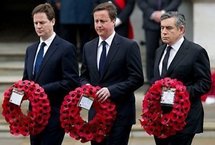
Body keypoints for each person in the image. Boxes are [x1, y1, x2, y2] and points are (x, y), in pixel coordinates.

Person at [80, 2, 144, 145]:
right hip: (96, 114)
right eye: (96, 21)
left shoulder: (129, 46)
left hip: (120, 114)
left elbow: (137, 78)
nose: (98, 25)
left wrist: (111, 91)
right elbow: (83, 76)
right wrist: (87, 86)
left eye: (103, 21)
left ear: (114, 21)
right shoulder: (88, 47)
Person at [22, 3, 80, 145]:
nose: (38, 26)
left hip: (54, 115)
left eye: (42, 22)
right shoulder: (31, 50)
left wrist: (41, 90)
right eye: (35, 23)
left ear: (53, 21)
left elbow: (71, 82)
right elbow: (26, 80)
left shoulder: (66, 48)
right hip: (34, 116)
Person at [152, 11, 211, 145]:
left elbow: (205, 83)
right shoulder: (159, 51)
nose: (164, 32)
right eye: (162, 28)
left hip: (184, 118)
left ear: (181, 29)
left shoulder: (196, 52)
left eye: (169, 28)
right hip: (160, 119)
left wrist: (178, 92)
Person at [137, 0, 182, 83]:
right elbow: (141, 2)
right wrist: (152, 14)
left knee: (170, 51)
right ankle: (152, 82)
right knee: (151, 53)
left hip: (170, 20)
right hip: (150, 21)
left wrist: (164, 13)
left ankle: (168, 81)